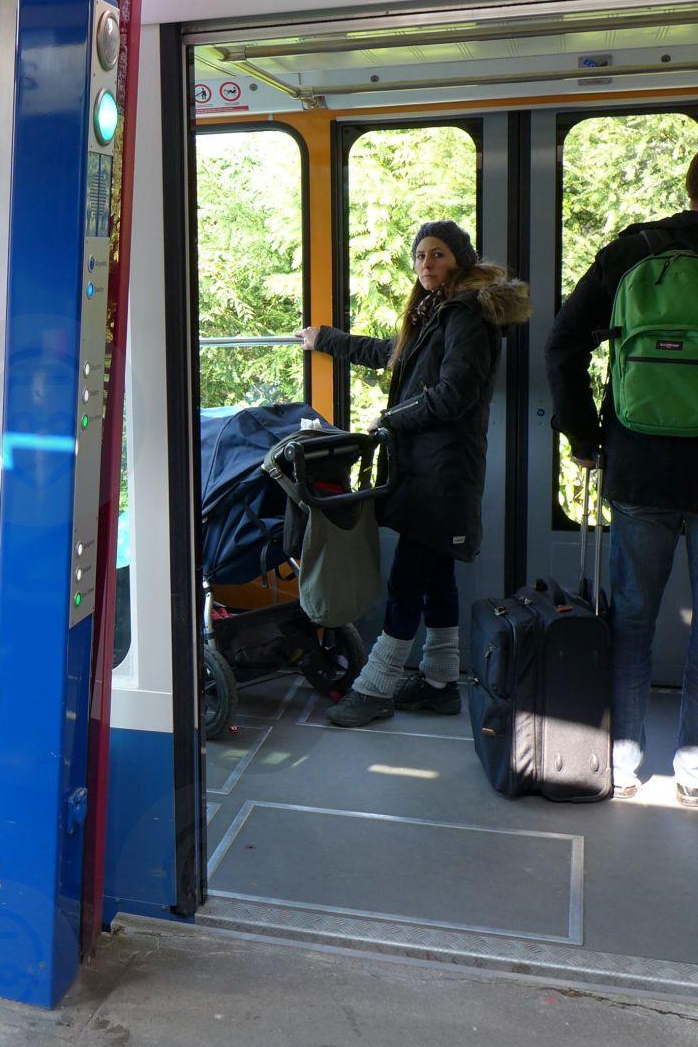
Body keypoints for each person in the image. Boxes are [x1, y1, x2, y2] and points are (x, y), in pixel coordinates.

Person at [298, 221, 531, 727]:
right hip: (431, 469)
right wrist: (327, 339)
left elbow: (454, 395)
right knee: (437, 576)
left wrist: (390, 419)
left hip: (441, 473)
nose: (427, 263)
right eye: (421, 255)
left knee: (407, 580)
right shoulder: (437, 313)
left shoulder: (466, 315)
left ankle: (375, 688)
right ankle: (440, 683)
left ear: (460, 260)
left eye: (439, 254)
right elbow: (392, 354)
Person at [546, 151, 698, 806]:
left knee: (631, 619)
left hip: (638, 467)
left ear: (689, 188)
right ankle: (694, 771)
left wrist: (584, 437)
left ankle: (624, 763)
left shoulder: (634, 250)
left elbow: (562, 344)